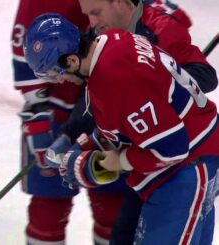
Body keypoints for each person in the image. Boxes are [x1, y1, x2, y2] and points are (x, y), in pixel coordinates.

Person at [24, 13, 219, 244]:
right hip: (190, 161)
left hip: (187, 168)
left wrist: (105, 163)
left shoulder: (115, 80)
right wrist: (87, 143)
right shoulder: (114, 41)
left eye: (56, 72)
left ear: (72, 61)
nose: (59, 80)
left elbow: (171, 149)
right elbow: (132, 121)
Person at [11, 1, 127, 244]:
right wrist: (37, 112)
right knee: (49, 205)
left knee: (113, 203)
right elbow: (28, 48)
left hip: (108, 110)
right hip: (56, 113)